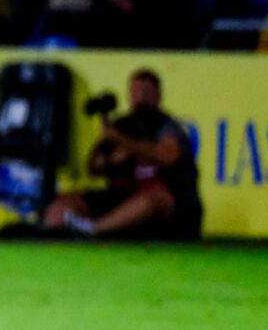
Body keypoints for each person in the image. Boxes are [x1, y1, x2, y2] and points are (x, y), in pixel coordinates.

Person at [43, 70, 203, 240]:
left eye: (147, 92)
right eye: (136, 92)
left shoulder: (168, 127)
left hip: (167, 208)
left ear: (158, 96)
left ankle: (95, 230)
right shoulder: (121, 125)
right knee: (63, 205)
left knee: (152, 199)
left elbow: (166, 156)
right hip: (122, 197)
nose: (141, 97)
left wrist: (123, 142)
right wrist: (112, 158)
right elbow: (94, 167)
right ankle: (56, 237)